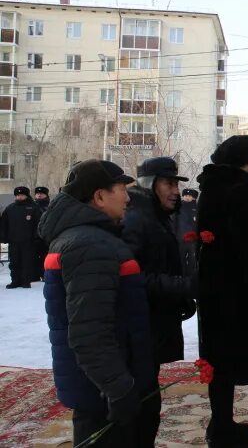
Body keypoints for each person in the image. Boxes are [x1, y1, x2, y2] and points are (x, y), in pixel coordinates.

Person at [39, 159, 159, 447]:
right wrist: (118, 388)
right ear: (100, 196)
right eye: (121, 189)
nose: (128, 197)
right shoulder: (90, 245)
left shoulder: (93, 238)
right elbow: (89, 330)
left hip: (105, 383)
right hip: (103, 392)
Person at [196, 135, 248, 447]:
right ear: (244, 163)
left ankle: (221, 422)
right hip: (235, 290)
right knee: (228, 360)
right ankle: (222, 431)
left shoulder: (212, 186)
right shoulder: (239, 191)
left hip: (214, 286)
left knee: (219, 360)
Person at [122, 156, 197, 433]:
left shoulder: (154, 214)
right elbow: (131, 277)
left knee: (149, 398)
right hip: (140, 326)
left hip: (152, 321)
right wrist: (182, 286)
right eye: (169, 183)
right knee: (143, 402)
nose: (176, 191)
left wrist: (180, 297)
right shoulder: (136, 218)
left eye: (176, 184)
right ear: (151, 185)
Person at [0, 186, 41, 289]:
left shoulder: (33, 207)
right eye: (18, 195)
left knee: (26, 262)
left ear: (26, 196)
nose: (19, 197)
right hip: (13, 241)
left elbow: (38, 224)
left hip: (28, 241)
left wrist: (36, 237)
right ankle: (15, 281)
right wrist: (3, 237)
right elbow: (4, 224)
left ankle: (25, 281)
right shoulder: (10, 208)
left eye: (22, 195)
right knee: (14, 262)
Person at [175, 188, 199, 276]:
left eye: (189, 196)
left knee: (192, 261)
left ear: (193, 198)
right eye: (185, 196)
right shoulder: (178, 207)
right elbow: (174, 222)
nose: (187, 197)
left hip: (193, 239)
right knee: (181, 259)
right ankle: (182, 276)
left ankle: (191, 278)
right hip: (181, 238)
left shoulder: (197, 208)